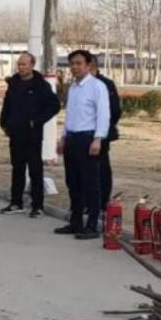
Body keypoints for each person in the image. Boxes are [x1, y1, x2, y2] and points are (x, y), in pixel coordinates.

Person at [55, 49, 111, 240]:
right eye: (72, 64)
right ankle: (76, 221)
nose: (75, 67)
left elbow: (103, 114)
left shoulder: (97, 87)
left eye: (79, 63)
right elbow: (70, 114)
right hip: (72, 138)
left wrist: (98, 138)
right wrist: (63, 137)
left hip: (88, 139)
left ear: (88, 65)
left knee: (90, 183)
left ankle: (92, 225)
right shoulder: (73, 87)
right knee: (73, 182)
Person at [0, 52, 60, 218]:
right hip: (15, 133)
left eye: (24, 64)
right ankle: (16, 202)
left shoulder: (41, 85)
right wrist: (4, 123)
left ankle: (37, 206)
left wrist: (37, 121)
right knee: (17, 168)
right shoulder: (14, 84)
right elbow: (7, 105)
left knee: (35, 169)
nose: (21, 67)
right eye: (19, 64)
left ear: (32, 65)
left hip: (33, 135)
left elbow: (54, 105)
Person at [90, 57, 122, 211]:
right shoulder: (78, 84)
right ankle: (87, 202)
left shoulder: (105, 84)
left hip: (101, 134)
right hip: (83, 134)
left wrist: (103, 129)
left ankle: (102, 202)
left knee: (101, 168)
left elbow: (114, 111)